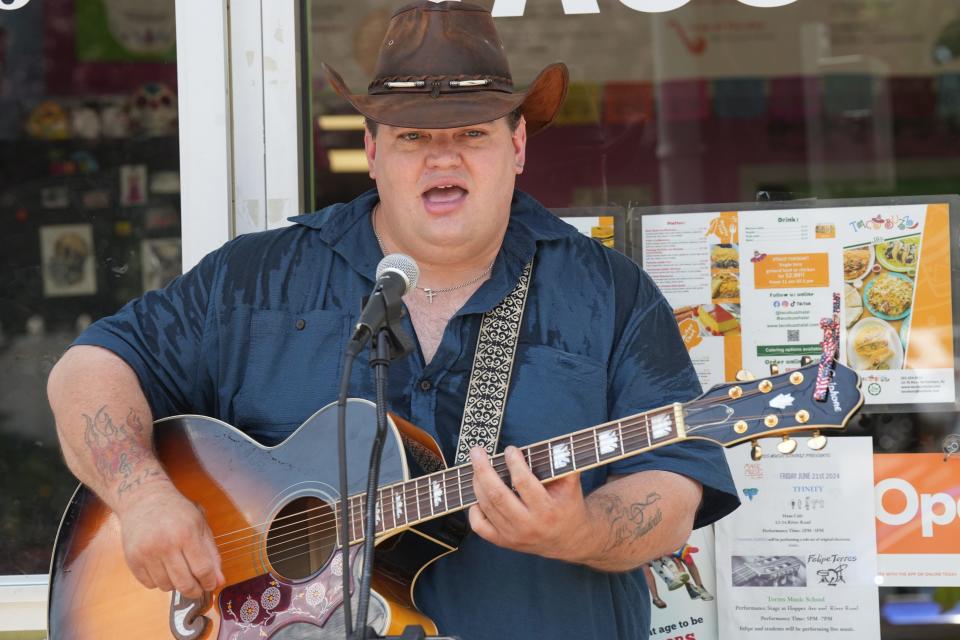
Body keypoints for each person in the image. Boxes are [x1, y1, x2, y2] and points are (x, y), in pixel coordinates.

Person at [47, 2, 739, 639]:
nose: (444, 156)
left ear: (518, 145)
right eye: (413, 136)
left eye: (472, 132)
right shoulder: (258, 280)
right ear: (373, 152)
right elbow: (89, 370)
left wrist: (581, 530)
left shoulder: (606, 294)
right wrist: (141, 497)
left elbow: (674, 481)